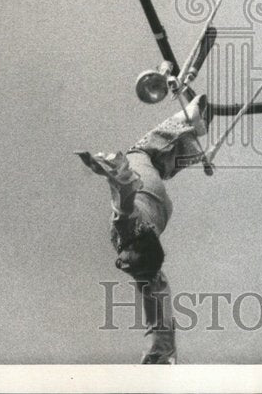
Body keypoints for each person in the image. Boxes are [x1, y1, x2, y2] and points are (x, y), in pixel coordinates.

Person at [77, 94, 210, 364]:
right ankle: (187, 120)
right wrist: (111, 168)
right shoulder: (127, 230)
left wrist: (161, 354)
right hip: (145, 193)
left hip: (161, 211)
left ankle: (190, 134)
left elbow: (158, 315)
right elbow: (123, 194)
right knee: (139, 152)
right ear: (132, 254)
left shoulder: (149, 274)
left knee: (152, 162)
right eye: (125, 262)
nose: (120, 264)